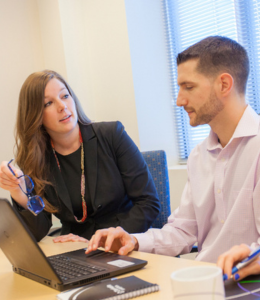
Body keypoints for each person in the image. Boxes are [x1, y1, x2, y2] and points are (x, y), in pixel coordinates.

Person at [84, 36, 260, 264]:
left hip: (247, 286)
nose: (179, 100)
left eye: (188, 87)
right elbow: (183, 231)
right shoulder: (199, 156)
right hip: (204, 279)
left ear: (224, 84)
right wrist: (134, 241)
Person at [0, 70, 160, 242]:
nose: (62, 106)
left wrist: (103, 241)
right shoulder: (36, 159)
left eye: (65, 96)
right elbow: (37, 232)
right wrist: (18, 192)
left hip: (123, 245)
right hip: (76, 252)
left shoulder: (112, 135)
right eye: (48, 103)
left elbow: (148, 203)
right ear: (35, 115)